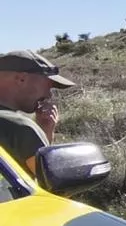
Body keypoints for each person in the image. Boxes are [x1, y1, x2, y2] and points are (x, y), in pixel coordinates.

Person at [0, 48, 72, 176]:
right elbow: (49, 186)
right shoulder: (20, 128)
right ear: (21, 79)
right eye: (48, 85)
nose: (49, 94)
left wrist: (45, 130)